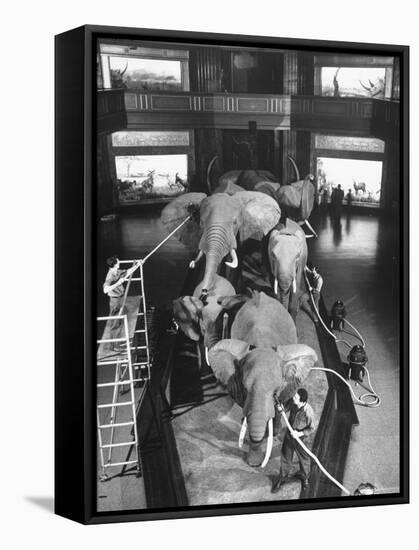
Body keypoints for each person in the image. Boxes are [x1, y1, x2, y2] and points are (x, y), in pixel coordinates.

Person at [271, 389, 316, 493]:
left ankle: (305, 476)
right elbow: (284, 409)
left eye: (296, 397)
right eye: (295, 396)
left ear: (303, 402)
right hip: (289, 434)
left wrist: (299, 434)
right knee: (286, 457)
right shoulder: (293, 402)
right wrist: (281, 408)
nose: (293, 398)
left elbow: (312, 428)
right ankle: (282, 478)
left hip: (301, 438)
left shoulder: (308, 412)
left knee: (304, 458)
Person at [103, 256, 139, 351]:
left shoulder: (117, 271)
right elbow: (105, 290)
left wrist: (137, 265)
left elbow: (127, 272)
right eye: (118, 262)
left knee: (119, 321)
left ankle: (116, 342)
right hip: (115, 301)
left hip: (120, 298)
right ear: (114, 264)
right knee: (115, 322)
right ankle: (113, 346)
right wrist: (118, 283)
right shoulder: (110, 275)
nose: (119, 263)